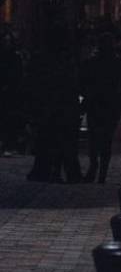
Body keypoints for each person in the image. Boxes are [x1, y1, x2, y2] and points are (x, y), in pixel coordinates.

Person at [26, 24, 83, 183]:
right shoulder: (65, 60)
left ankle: (50, 170)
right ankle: (62, 172)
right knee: (63, 141)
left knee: (49, 139)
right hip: (59, 105)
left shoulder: (44, 59)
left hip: (52, 105)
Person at [81, 30, 121, 183]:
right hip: (111, 105)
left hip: (95, 103)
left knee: (94, 138)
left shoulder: (92, 63)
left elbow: (83, 83)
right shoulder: (118, 63)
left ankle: (94, 167)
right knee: (106, 140)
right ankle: (102, 174)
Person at [0, 30, 25, 155]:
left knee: (10, 120)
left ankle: (9, 144)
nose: (6, 43)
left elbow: (18, 75)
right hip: (4, 93)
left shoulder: (15, 58)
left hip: (11, 94)